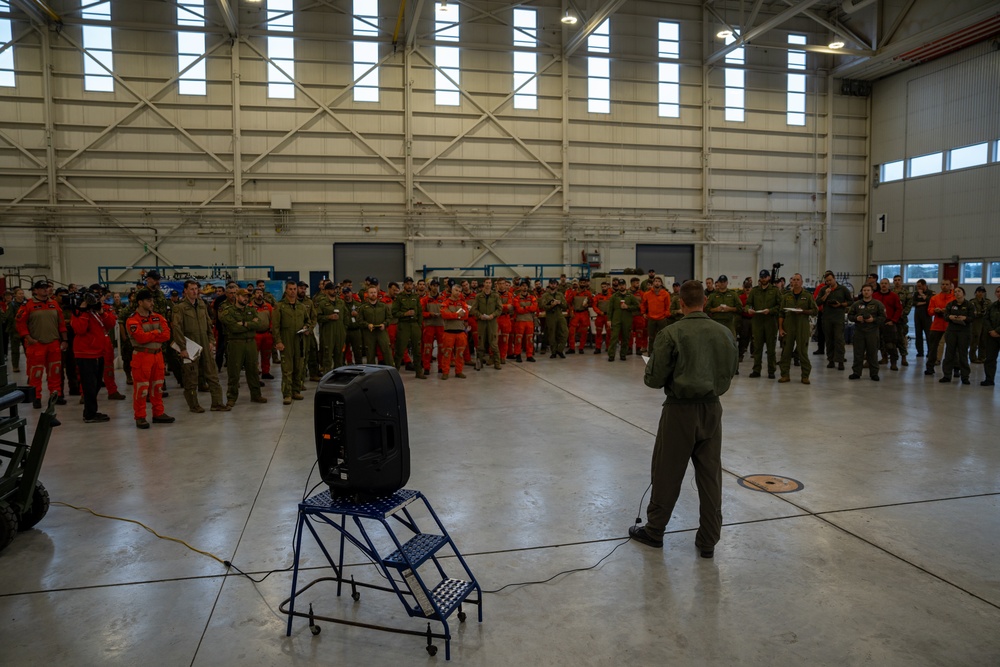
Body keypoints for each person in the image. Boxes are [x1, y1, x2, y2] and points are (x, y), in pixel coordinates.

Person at [629, 280, 738, 557]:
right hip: (712, 409)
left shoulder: (671, 333)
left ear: (680, 303)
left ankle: (654, 531)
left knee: (667, 472)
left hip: (679, 410)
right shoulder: (724, 333)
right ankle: (708, 541)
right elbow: (729, 372)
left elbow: (653, 380)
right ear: (706, 301)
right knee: (711, 476)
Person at [172, 280, 227, 413]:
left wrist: (211, 341)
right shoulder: (179, 308)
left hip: (204, 343)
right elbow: (176, 328)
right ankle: (194, 405)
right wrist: (182, 348)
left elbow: (209, 324)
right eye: (191, 289)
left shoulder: (202, 304)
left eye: (196, 289)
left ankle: (217, 403)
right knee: (191, 377)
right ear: (185, 291)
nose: (194, 291)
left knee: (212, 374)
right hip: (190, 345)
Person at [15, 280, 68, 414]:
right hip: (36, 344)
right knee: (36, 373)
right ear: (36, 290)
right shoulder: (28, 305)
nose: (45, 290)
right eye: (42, 288)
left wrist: (64, 339)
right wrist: (28, 338)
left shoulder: (54, 303)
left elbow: (61, 323)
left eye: (47, 288)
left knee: (55, 371)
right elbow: (20, 323)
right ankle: (36, 397)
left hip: (53, 342)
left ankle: (56, 395)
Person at [126, 289, 175, 429]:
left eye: (152, 300)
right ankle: (140, 417)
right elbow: (140, 338)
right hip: (142, 356)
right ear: (140, 302)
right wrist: (156, 332)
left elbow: (166, 335)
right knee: (141, 389)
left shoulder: (158, 317)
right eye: (149, 300)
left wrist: (150, 334)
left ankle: (158, 413)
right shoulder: (133, 319)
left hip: (157, 355)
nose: (152, 303)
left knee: (157, 387)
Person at [219, 288, 268, 406]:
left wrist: (244, 323)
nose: (246, 299)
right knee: (234, 372)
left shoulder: (251, 310)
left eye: (247, 297)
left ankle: (256, 395)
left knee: (253, 371)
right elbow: (233, 328)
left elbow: (258, 324)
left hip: (250, 343)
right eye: (243, 296)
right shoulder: (228, 311)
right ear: (237, 296)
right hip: (236, 343)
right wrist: (249, 325)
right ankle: (231, 397)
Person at [70, 292, 113, 423]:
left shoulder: (95, 313)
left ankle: (91, 411)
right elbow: (80, 330)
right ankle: (89, 414)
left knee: (97, 383)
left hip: (97, 352)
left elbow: (110, 324)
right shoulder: (78, 313)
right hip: (85, 354)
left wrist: (101, 311)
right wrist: (83, 310)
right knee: (89, 385)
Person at [272, 280, 309, 404]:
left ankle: (296, 391)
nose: (293, 291)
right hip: (286, 339)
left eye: (294, 289)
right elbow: (275, 326)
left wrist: (306, 328)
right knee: (287, 369)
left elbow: (308, 321)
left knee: (299, 367)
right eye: (290, 289)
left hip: (299, 340)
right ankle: (287, 394)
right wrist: (278, 341)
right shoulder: (280, 306)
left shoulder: (301, 306)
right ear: (286, 290)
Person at [777, 273, 817, 384]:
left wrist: (803, 311)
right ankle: (785, 375)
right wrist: (780, 328)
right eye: (794, 280)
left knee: (802, 352)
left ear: (801, 282)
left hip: (802, 327)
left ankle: (805, 376)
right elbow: (781, 313)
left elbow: (815, 311)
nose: (795, 282)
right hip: (788, 327)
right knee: (786, 352)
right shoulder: (786, 296)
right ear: (791, 282)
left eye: (798, 280)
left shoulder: (808, 296)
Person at [745, 270, 781, 379]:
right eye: (762, 277)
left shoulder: (775, 291)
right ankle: (756, 370)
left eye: (765, 277)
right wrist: (749, 310)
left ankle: (771, 370)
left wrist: (770, 310)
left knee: (771, 348)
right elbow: (748, 304)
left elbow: (780, 306)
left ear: (769, 278)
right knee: (757, 348)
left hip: (770, 322)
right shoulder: (755, 291)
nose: (763, 279)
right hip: (758, 321)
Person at [847, 284, 885, 381]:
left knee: (872, 353)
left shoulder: (878, 304)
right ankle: (856, 372)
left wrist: (873, 319)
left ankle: (874, 373)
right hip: (859, 331)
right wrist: (856, 318)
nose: (866, 292)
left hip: (872, 332)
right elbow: (850, 316)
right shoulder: (856, 304)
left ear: (872, 292)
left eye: (868, 290)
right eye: (864, 290)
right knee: (858, 353)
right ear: (862, 292)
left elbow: (883, 317)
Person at [816, 271, 851, 371]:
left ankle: (840, 361)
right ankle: (830, 360)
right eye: (827, 281)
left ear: (834, 279)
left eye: (830, 280)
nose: (829, 282)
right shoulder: (823, 289)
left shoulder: (843, 289)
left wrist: (840, 304)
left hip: (838, 319)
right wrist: (825, 295)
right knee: (829, 340)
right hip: (827, 318)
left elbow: (850, 301)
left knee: (839, 340)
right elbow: (818, 302)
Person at [939, 286, 973, 385]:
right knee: (949, 353)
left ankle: (965, 377)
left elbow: (972, 317)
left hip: (964, 332)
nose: (957, 293)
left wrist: (965, 318)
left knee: (963, 354)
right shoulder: (950, 305)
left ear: (964, 293)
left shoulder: (969, 305)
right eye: (955, 292)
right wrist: (950, 316)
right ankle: (947, 375)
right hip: (952, 331)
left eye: (959, 291)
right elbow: (945, 316)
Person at [393, 277, 425, 378]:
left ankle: (418, 372)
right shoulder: (399, 297)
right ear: (404, 285)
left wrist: (419, 325)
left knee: (417, 350)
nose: (409, 286)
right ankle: (395, 372)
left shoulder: (415, 297)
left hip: (414, 325)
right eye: (407, 284)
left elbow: (420, 312)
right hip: (404, 324)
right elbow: (394, 312)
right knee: (400, 349)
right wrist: (405, 314)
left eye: (411, 284)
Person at [470, 277, 501, 370]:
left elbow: (499, 309)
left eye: (489, 283)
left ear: (491, 284)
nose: (488, 284)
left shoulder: (495, 296)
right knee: (480, 344)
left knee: (494, 343)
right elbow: (473, 309)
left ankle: (497, 363)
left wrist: (493, 315)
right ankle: (479, 363)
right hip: (482, 323)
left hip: (492, 322)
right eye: (486, 283)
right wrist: (480, 316)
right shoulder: (478, 296)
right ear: (484, 284)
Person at [924, 281, 955, 377]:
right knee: (933, 347)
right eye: (943, 284)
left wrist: (947, 310)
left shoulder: (954, 298)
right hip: (936, 325)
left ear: (950, 286)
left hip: (950, 325)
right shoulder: (935, 298)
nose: (944, 286)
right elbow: (929, 311)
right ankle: (930, 367)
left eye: (947, 284)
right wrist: (935, 310)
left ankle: (954, 368)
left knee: (953, 348)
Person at [439, 284, 469, 378]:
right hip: (449, 332)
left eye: (460, 291)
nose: (458, 293)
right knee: (447, 353)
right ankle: (445, 372)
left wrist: (452, 315)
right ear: (452, 291)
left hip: (460, 331)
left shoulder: (463, 303)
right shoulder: (445, 302)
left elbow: (466, 315)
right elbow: (444, 314)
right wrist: (457, 315)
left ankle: (459, 371)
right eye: (456, 290)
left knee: (460, 353)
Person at [359, 285, 394, 366]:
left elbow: (389, 318)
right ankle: (372, 374)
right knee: (370, 354)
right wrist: (367, 325)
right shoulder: (363, 307)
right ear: (367, 294)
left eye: (374, 292)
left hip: (382, 332)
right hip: (369, 333)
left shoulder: (383, 306)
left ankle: (391, 370)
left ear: (377, 293)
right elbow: (359, 320)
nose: (373, 294)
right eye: (371, 293)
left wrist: (384, 324)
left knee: (387, 352)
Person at [873, 279, 902, 371]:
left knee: (890, 345)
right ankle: (882, 359)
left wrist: (893, 320)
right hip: (877, 323)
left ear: (889, 285)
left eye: (885, 283)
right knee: (876, 343)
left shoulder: (894, 296)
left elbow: (899, 309)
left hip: (889, 323)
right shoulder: (874, 295)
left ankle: (893, 363)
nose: (883, 285)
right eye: (882, 283)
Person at [607, 281, 640, 361]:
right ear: (618, 286)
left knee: (626, 338)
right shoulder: (614, 296)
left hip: (627, 320)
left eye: (623, 285)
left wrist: (628, 307)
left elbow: (637, 306)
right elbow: (610, 309)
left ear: (625, 285)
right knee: (614, 338)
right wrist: (609, 320)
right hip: (616, 320)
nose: (621, 287)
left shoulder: (630, 296)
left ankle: (623, 354)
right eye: (620, 285)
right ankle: (611, 355)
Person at [641, 277, 673, 352]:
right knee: (651, 337)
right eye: (655, 281)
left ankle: (663, 352)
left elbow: (668, 306)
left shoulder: (665, 294)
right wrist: (643, 313)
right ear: (653, 283)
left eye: (659, 281)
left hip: (662, 319)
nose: (657, 283)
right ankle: (650, 353)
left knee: (663, 337)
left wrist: (666, 314)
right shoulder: (647, 294)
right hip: (651, 318)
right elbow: (643, 304)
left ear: (661, 283)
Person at [421, 280, 446, 373]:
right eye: (434, 285)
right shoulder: (425, 299)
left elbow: (446, 310)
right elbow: (420, 313)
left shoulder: (443, 299)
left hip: (440, 325)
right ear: (430, 286)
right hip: (429, 325)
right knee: (427, 347)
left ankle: (441, 367)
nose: (435, 287)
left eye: (437, 286)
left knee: (442, 347)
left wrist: (442, 313)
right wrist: (429, 314)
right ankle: (426, 367)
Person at [540, 279, 569, 359]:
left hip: (559, 314)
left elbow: (565, 306)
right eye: (551, 284)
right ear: (549, 284)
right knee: (551, 334)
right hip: (550, 315)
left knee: (565, 332)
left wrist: (559, 303)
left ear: (557, 285)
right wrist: (551, 305)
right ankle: (553, 352)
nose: (553, 285)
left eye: (554, 284)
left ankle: (560, 350)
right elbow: (543, 306)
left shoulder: (560, 294)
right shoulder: (545, 295)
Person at [510, 281, 538, 363]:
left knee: (530, 339)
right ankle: (518, 355)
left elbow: (534, 308)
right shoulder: (516, 298)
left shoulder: (532, 297)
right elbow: (518, 309)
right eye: (523, 286)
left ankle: (529, 355)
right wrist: (528, 308)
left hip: (529, 320)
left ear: (528, 287)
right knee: (518, 339)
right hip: (520, 321)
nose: (524, 287)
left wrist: (524, 308)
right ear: (520, 287)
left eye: (526, 286)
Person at [565, 277, 594, 354]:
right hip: (575, 313)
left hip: (584, 313)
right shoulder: (574, 293)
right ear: (578, 283)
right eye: (581, 282)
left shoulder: (588, 293)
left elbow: (591, 303)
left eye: (584, 283)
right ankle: (572, 348)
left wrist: (587, 304)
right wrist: (570, 311)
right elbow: (568, 302)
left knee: (584, 332)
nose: (582, 284)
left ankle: (581, 347)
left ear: (586, 283)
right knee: (571, 331)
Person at [251, 288, 275, 378]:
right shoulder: (249, 306)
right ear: (254, 295)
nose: (259, 294)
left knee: (267, 354)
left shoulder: (268, 306)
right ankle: (255, 372)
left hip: (266, 334)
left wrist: (271, 329)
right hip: (255, 334)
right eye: (257, 293)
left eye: (261, 292)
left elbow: (272, 319)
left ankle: (266, 372)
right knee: (254, 356)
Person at [980, 286, 1000, 386]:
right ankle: (989, 379)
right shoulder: (992, 306)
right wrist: (991, 330)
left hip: (997, 333)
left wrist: (997, 331)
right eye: (997, 291)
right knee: (990, 359)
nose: (999, 293)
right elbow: (985, 319)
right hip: (992, 336)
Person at [892, 275, 912, 366]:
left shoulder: (906, 293)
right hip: (891, 318)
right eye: (895, 280)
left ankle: (903, 357)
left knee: (901, 338)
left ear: (902, 281)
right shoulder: (891, 292)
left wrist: (902, 314)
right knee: (891, 338)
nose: (897, 282)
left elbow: (909, 305)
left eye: (899, 280)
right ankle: (892, 357)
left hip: (901, 318)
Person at [4, 287, 26, 372]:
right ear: (15, 295)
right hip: (15, 330)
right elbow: (10, 318)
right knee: (15, 350)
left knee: (28, 349)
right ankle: (15, 366)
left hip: (25, 330)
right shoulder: (12, 305)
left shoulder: (26, 304)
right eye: (20, 294)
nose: (21, 295)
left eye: (22, 293)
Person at [968, 286, 991, 363]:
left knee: (984, 340)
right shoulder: (972, 302)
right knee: (975, 340)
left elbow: (990, 312)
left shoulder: (988, 302)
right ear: (976, 293)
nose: (980, 293)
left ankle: (982, 357)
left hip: (985, 322)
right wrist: (979, 313)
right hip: (975, 323)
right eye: (979, 292)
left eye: (982, 292)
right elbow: (972, 313)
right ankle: (973, 357)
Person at [912, 279, 933, 357]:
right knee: (918, 335)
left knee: (928, 335)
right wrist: (924, 302)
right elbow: (913, 303)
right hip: (918, 316)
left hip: (927, 316)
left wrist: (923, 296)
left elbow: (930, 301)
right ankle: (920, 352)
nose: (918, 288)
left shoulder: (930, 293)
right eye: (917, 286)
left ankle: (930, 352)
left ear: (924, 285)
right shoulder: (916, 293)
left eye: (920, 286)